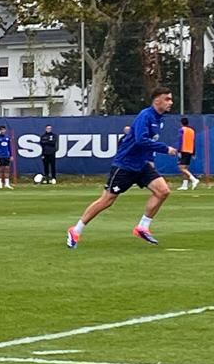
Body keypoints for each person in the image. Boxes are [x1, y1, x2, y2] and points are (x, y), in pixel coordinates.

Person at [66, 87, 179, 248]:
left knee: (163, 191)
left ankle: (142, 227)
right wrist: (165, 149)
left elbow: (148, 143)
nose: (171, 102)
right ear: (157, 100)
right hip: (125, 165)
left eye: (170, 99)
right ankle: (75, 230)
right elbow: (141, 140)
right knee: (107, 200)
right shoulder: (145, 116)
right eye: (167, 99)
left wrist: (150, 160)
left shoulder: (159, 119)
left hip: (142, 165)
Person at [176, 117, 200, 190]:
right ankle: (184, 185)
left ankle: (194, 180)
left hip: (184, 150)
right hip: (190, 150)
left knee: (181, 168)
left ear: (181, 123)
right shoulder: (192, 130)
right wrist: (193, 152)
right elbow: (193, 142)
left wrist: (179, 150)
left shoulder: (182, 130)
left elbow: (180, 140)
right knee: (185, 168)